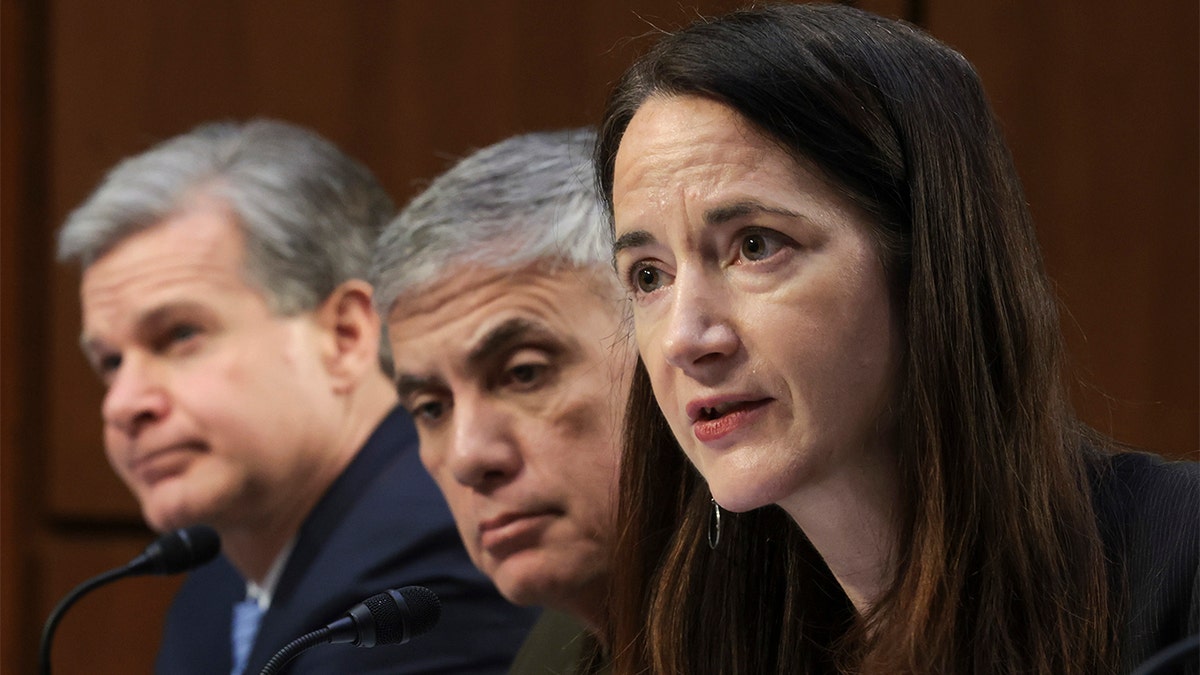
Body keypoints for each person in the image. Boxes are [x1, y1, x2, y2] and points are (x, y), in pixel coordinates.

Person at [593, 4, 1200, 674]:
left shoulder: (1182, 574)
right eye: (648, 276)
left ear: (929, 260)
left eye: (756, 246)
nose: (685, 337)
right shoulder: (699, 641)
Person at [57, 119, 538, 674]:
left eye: (181, 336)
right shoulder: (216, 581)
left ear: (346, 336)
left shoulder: (438, 552)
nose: (122, 403)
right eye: (110, 363)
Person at [371, 128, 631, 673]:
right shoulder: (548, 651)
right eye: (432, 409)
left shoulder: (829, 626)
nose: (468, 458)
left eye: (523, 374)